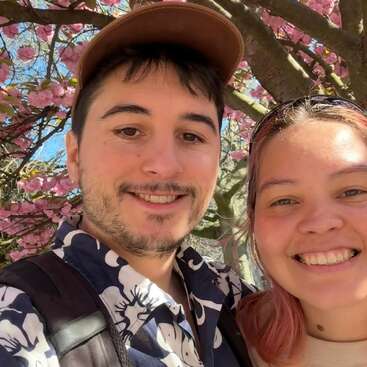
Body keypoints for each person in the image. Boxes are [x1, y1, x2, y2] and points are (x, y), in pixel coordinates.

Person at [0, 2, 252, 366]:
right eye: (129, 130)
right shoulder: (21, 317)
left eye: (192, 135)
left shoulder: (237, 301)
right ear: (74, 157)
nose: (164, 165)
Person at [237, 95, 367, 366]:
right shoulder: (215, 341)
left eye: (353, 191)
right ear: (253, 221)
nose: (320, 222)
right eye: (284, 200)